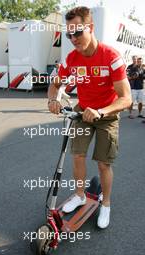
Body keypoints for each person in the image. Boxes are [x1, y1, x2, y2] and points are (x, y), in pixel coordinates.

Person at [47, 6, 132, 229]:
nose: (73, 38)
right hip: (82, 111)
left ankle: (106, 203)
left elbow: (126, 99)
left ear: (91, 28)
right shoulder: (71, 59)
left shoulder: (111, 57)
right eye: (69, 34)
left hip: (107, 114)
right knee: (77, 156)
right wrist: (53, 100)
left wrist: (102, 111)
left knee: (103, 164)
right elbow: (54, 83)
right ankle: (80, 195)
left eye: (78, 32)